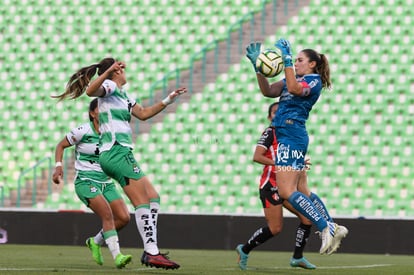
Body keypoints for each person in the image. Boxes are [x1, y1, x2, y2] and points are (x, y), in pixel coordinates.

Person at [52, 57, 186, 270]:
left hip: (123, 152)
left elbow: (143, 114)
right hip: (115, 151)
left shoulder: (124, 95)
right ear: (115, 71)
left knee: (152, 197)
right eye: (120, 68)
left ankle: (148, 249)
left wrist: (168, 100)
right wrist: (107, 72)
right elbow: (90, 92)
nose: (124, 70)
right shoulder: (110, 86)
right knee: (141, 201)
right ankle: (151, 252)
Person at [245, 39, 348, 255]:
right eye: (296, 60)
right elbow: (268, 91)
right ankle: (332, 225)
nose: (297, 63)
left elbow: (293, 87)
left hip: (292, 134)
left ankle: (324, 227)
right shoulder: (296, 77)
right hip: (288, 136)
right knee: (302, 189)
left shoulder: (313, 81)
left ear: (312, 64)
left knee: (286, 190)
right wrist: (258, 69)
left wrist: (288, 58)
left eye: (301, 60)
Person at [52, 98, 132, 269]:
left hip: (106, 182)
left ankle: (95, 242)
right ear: (93, 113)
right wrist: (58, 167)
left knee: (124, 218)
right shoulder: (83, 130)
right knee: (108, 215)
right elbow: (60, 145)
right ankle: (117, 256)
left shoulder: (111, 132)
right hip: (86, 181)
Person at [236, 102, 316, 270]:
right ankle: (244, 249)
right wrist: (279, 163)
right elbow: (257, 156)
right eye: (274, 112)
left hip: (286, 186)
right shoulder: (270, 132)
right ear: (269, 117)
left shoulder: (291, 135)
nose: (278, 114)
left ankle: (297, 257)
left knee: (307, 219)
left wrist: (298, 163)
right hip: (270, 185)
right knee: (275, 228)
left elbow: (289, 160)